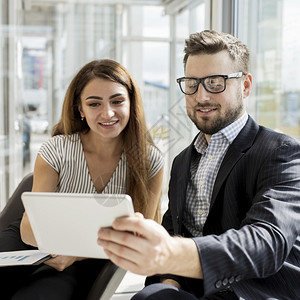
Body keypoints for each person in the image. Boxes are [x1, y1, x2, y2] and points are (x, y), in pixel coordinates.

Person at [97, 30, 300, 300]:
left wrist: (169, 253)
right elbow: (173, 231)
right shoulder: (182, 161)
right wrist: (168, 284)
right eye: (192, 83)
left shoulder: (282, 152)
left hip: (250, 292)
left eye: (215, 83)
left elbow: (266, 243)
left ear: (246, 86)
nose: (201, 96)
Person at [0, 59, 164, 300]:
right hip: (29, 246)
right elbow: (27, 229)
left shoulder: (150, 162)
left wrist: (75, 254)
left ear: (131, 103)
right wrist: (58, 247)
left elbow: (140, 239)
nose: (107, 113)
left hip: (89, 259)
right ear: (80, 109)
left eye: (117, 101)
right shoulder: (56, 150)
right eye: (94, 103)